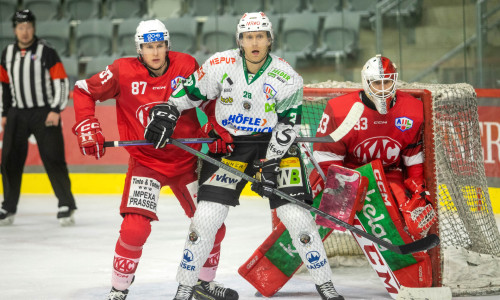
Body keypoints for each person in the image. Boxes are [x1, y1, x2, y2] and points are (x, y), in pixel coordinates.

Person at [144, 12, 345, 300]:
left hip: (276, 144)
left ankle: (325, 284)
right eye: (248, 37)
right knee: (205, 219)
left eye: (260, 36)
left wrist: (271, 166)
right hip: (233, 148)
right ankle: (185, 287)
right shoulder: (220, 64)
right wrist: (169, 111)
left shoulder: (287, 76)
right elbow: (187, 93)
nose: (254, 42)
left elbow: (287, 127)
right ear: (240, 40)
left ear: (269, 39)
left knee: (298, 219)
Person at [72, 19, 237, 300]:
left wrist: (214, 124)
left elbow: (209, 97)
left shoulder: (185, 65)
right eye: (149, 46)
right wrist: (87, 123)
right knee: (134, 228)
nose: (156, 52)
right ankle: (118, 288)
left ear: (167, 45)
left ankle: (203, 283)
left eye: (160, 45)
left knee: (212, 224)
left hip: (188, 159)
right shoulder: (121, 71)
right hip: (146, 163)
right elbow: (83, 89)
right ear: (140, 48)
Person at [310, 54, 437, 240]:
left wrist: (418, 189)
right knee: (313, 195)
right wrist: (347, 187)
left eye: (387, 82)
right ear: (365, 82)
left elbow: (413, 157)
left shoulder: (412, 110)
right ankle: (306, 238)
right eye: (377, 83)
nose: (383, 89)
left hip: (389, 175)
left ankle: (401, 242)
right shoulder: (341, 109)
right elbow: (325, 154)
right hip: (352, 173)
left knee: (412, 223)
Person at [0, 9, 76, 226]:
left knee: (53, 158)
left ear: (34, 28)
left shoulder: (46, 51)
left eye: (29, 27)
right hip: (17, 113)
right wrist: (5, 113)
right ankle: (8, 206)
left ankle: (66, 204)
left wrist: (56, 109)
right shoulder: (6, 53)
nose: (25, 32)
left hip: (44, 112)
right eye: (20, 27)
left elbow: (61, 82)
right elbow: (4, 85)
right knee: (9, 161)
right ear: (15, 30)